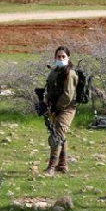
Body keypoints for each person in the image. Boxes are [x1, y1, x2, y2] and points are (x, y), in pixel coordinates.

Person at [43, 46, 78, 176]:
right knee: (59, 135)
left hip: (67, 108)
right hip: (55, 107)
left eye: (63, 56)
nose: (61, 59)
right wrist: (47, 104)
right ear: (55, 57)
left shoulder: (70, 73)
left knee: (56, 136)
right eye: (59, 56)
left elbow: (68, 95)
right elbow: (49, 90)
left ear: (68, 58)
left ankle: (51, 167)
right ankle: (62, 165)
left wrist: (56, 108)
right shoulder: (54, 72)